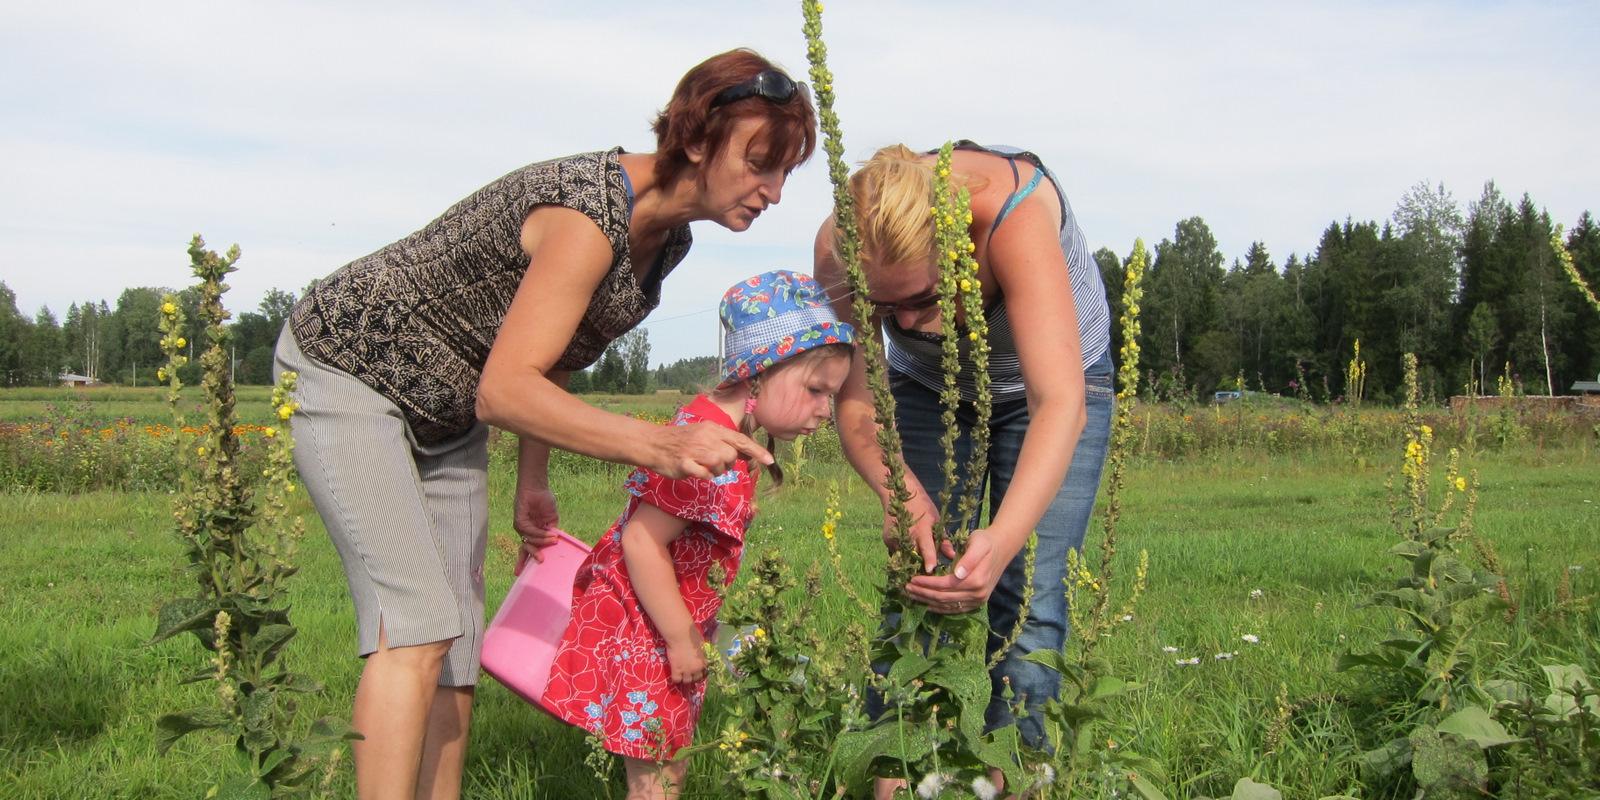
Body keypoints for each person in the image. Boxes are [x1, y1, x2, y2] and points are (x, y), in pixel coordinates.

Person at [272, 50, 816, 799]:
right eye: (761, 163)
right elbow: (505, 390)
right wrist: (661, 442)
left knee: (456, 641)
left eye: (787, 172)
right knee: (417, 624)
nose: (775, 191)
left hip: (448, 408)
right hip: (352, 369)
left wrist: (533, 479)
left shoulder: (666, 244)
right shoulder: (589, 213)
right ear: (697, 139)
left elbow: (553, 352)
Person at [812, 142, 1114, 793]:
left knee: (1029, 595)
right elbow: (860, 401)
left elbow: (1057, 403)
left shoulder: (1013, 213)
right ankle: (887, 773)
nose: (911, 322)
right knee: (917, 582)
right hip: (926, 389)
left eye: (924, 297)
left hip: (1057, 385)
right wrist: (900, 493)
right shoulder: (837, 247)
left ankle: (1018, 776)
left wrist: (1001, 543)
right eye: (884, 310)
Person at [540, 270, 854, 800]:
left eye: (834, 395)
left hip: (660, 620)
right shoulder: (707, 448)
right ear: (757, 375)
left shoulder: (722, 435)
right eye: (816, 390)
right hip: (647, 627)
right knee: (660, 770)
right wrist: (682, 638)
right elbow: (641, 540)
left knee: (666, 762)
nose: (826, 411)